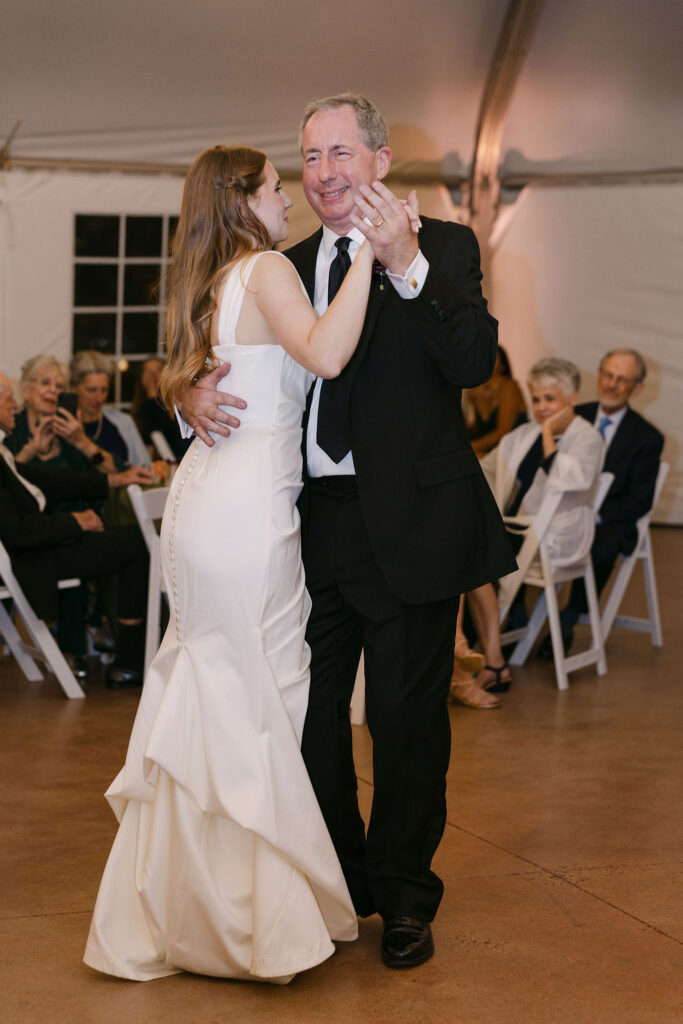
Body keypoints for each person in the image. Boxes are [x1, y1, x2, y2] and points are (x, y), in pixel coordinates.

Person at [177, 94, 516, 969]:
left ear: (378, 159)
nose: (322, 173)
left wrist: (404, 265)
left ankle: (404, 898)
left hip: (412, 526)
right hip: (305, 530)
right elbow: (210, 353)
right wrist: (187, 395)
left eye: (338, 153)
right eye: (309, 157)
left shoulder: (441, 245)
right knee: (304, 718)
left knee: (406, 727)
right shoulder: (278, 264)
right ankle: (341, 880)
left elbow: (474, 361)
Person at [83, 143, 405, 984]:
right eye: (274, 187)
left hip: (204, 502)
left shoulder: (207, 277)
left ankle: (189, 906)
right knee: (259, 700)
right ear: (241, 200)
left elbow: (192, 375)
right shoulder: (263, 268)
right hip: (247, 513)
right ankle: (252, 923)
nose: (288, 200)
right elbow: (327, 355)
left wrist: (183, 391)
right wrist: (372, 248)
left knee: (212, 692)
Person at [0, 373, 153, 689]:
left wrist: (115, 479)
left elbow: (50, 481)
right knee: (135, 542)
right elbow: (15, 532)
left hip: (37, 549)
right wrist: (74, 521)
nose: (13, 405)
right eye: (8, 399)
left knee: (124, 539)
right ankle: (129, 661)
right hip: (33, 559)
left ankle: (122, 652)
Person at [471, 358, 604, 691]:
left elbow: (569, 480)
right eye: (537, 399)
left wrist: (547, 434)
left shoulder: (587, 438)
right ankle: (473, 653)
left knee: (466, 560)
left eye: (550, 399)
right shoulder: (522, 435)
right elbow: (486, 471)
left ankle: (481, 657)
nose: (542, 408)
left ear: (571, 399)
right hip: (513, 529)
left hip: (553, 537)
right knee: (458, 551)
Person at [537, 348, 664, 658]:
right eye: (608, 375)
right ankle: (514, 618)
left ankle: (569, 617)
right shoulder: (572, 416)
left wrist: (591, 514)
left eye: (622, 380)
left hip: (609, 521)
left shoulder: (647, 437)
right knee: (521, 535)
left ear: (637, 389)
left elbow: (640, 501)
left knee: (600, 545)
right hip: (561, 512)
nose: (611, 384)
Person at [8, 354, 117, 476]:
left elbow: (114, 470)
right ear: (25, 390)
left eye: (59, 386)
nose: (53, 390)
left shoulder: (71, 429)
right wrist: (30, 450)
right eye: (45, 383)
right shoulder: (10, 430)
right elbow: (3, 482)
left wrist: (83, 443)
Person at [69, 351, 128, 468]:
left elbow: (122, 470)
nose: (99, 398)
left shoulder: (113, 429)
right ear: (73, 389)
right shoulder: (65, 426)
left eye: (104, 390)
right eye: (91, 390)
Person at [467, 345, 527, 456]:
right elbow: (481, 426)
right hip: (491, 451)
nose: (485, 363)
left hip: (514, 450)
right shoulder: (474, 390)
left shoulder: (508, 387)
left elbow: (503, 431)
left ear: (502, 366)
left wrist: (470, 447)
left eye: (492, 359)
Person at [131, 355, 189, 461]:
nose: (153, 376)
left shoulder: (182, 401)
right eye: (148, 372)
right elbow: (154, 434)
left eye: (158, 370)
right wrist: (152, 396)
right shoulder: (143, 409)